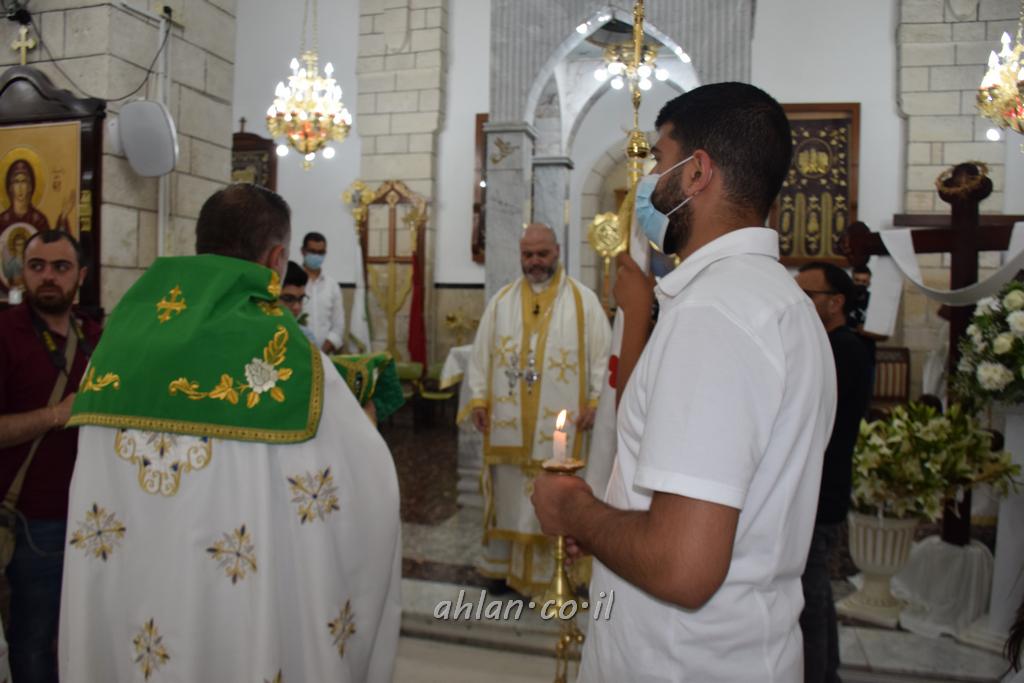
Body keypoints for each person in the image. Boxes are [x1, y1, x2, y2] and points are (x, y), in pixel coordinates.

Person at [531, 82, 836, 681]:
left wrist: (576, 512)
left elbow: (682, 565)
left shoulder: (714, 314)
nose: (648, 183)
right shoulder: (778, 301)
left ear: (697, 173)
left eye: (659, 162)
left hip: (681, 663)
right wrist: (609, 528)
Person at [59, 184, 401, 682]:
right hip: (232, 611)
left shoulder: (117, 341)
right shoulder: (288, 357)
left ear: (199, 243)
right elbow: (363, 487)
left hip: (129, 603)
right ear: (277, 259)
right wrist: (364, 413)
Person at [466, 223, 610, 597]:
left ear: (557, 251)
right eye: (527, 255)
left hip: (563, 426)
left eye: (542, 254)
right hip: (510, 423)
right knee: (512, 496)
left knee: (560, 495)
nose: (534, 262)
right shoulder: (501, 303)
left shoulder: (583, 302)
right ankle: (506, 571)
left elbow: (602, 357)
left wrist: (596, 401)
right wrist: (479, 399)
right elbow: (481, 356)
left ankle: (563, 576)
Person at [0, 229, 100, 683]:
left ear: (81, 275)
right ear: (21, 272)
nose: (48, 277)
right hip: (32, 520)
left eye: (61, 267)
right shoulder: (6, 334)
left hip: (94, 516)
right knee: (34, 640)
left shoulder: (95, 336)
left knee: (84, 636)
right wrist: (55, 415)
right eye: (37, 266)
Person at [795, 261, 873, 683]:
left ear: (836, 302)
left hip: (821, 491)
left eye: (809, 295)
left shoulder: (843, 350)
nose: (800, 303)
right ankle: (828, 673)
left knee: (809, 598)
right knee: (815, 593)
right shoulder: (828, 345)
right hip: (818, 489)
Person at [300, 231, 347, 354]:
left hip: (326, 356)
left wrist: (321, 353)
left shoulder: (332, 286)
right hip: (297, 352)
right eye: (312, 251)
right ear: (303, 251)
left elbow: (338, 327)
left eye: (320, 252)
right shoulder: (292, 283)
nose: (316, 256)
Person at [282, 259, 317, 344]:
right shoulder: (255, 332)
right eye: (288, 299)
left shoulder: (306, 337)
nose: (297, 307)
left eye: (300, 299)